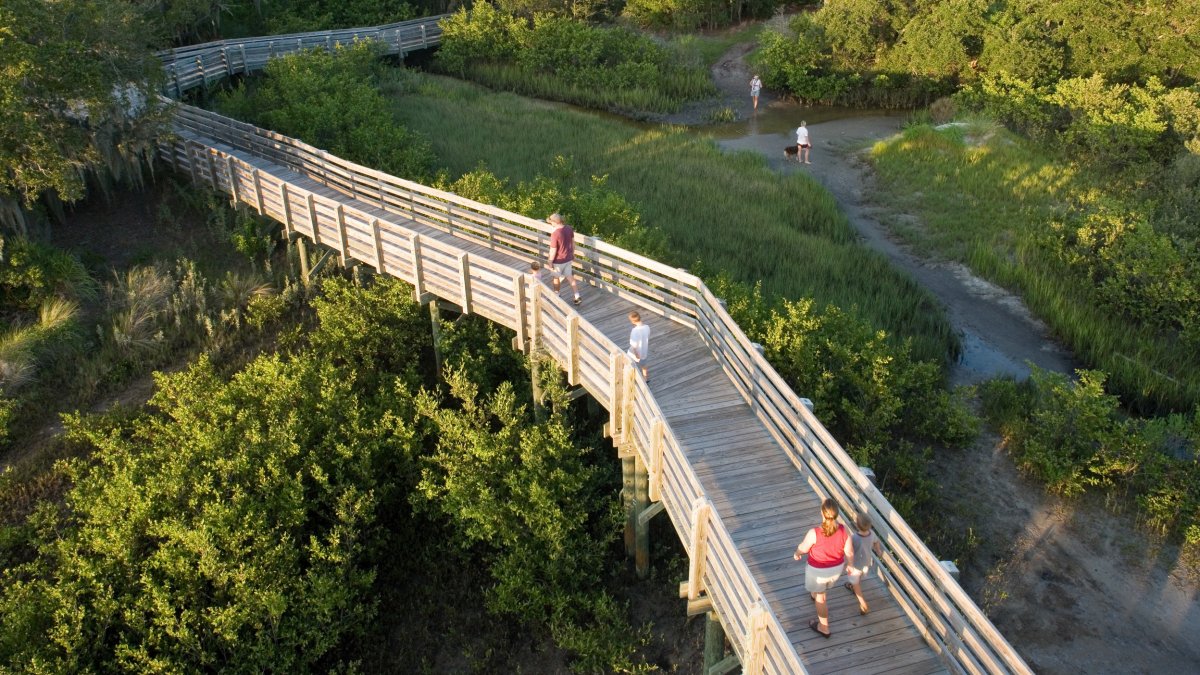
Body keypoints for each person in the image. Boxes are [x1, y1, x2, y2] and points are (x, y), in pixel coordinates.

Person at [793, 498, 854, 638]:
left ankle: (824, 627)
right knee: (821, 589)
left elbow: (803, 548)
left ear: (822, 513)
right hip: (836, 570)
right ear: (837, 514)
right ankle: (815, 593)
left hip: (818, 571)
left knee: (822, 598)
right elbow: (849, 552)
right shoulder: (844, 531)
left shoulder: (814, 533)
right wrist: (850, 565)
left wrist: (797, 553)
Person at [843, 511, 883, 615]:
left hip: (856, 565)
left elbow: (849, 550)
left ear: (857, 525)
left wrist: (846, 562)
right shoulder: (872, 534)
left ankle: (863, 603)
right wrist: (878, 550)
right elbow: (876, 542)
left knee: (856, 584)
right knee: (859, 578)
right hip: (866, 563)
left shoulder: (854, 538)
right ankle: (852, 586)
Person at [546, 213, 581, 305]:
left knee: (556, 277)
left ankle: (557, 294)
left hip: (558, 261)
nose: (551, 224)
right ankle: (577, 295)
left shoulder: (555, 234)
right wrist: (572, 254)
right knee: (570, 277)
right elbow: (573, 243)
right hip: (568, 258)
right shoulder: (569, 228)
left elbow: (553, 249)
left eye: (551, 222)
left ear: (555, 222)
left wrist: (550, 261)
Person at [627, 310, 650, 380]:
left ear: (632, 322)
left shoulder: (635, 331)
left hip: (635, 352)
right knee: (644, 366)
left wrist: (636, 354)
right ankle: (646, 379)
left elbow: (634, 344)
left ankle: (632, 378)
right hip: (644, 350)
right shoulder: (647, 327)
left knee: (630, 364)